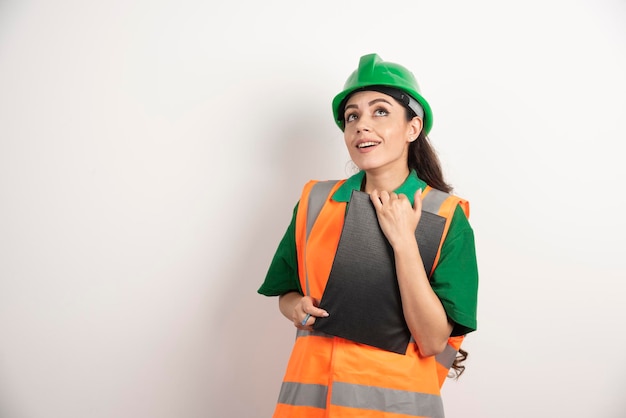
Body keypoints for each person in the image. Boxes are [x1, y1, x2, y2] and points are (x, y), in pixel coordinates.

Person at [258, 53, 479, 418]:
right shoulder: (316, 201)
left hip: (394, 409)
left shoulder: (445, 216)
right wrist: (294, 306)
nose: (362, 125)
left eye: (380, 111)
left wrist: (405, 241)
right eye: (352, 116)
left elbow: (433, 340)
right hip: (308, 406)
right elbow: (286, 291)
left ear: (413, 128)